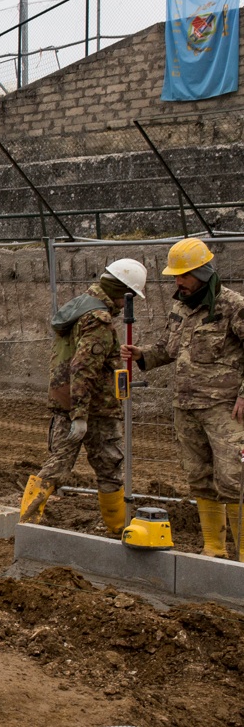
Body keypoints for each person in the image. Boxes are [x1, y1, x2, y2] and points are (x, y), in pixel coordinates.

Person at [122, 238, 244, 559]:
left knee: (233, 479)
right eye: (175, 276)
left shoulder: (233, 306)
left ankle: (242, 557)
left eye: (184, 276)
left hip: (225, 410)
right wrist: (142, 354)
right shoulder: (180, 307)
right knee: (199, 478)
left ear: (203, 272)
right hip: (186, 407)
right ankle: (214, 550)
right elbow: (168, 349)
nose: (178, 282)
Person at [21, 258, 148, 533]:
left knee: (58, 464)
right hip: (93, 408)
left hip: (69, 402)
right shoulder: (99, 319)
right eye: (131, 298)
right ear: (122, 292)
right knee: (109, 466)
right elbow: (83, 367)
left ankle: (27, 525)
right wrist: (80, 415)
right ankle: (117, 529)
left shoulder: (80, 307)